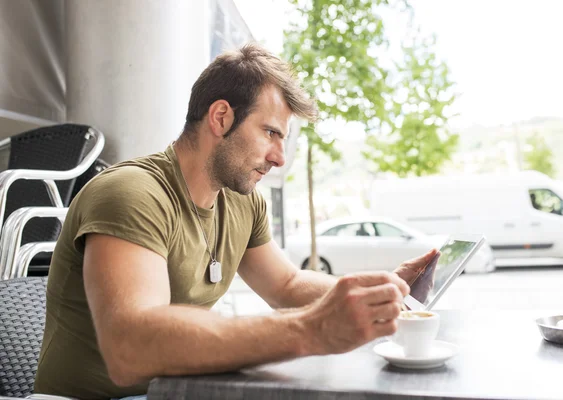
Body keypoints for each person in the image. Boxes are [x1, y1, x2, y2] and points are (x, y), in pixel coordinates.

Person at [33, 43, 438, 400]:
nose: (280, 157)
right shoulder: (131, 194)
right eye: (270, 133)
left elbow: (288, 285)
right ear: (222, 118)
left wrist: (378, 293)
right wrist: (310, 330)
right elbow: (129, 350)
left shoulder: (242, 202)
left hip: (181, 390)